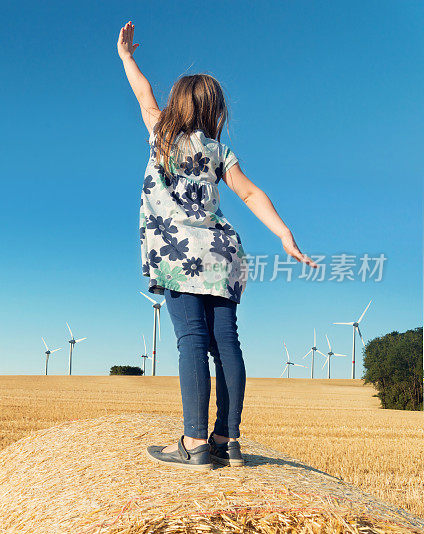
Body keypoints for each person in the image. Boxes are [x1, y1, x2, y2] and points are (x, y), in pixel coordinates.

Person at [117, 21, 318, 471]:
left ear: (178, 106)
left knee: (191, 339)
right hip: (224, 253)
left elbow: (144, 96)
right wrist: (284, 233)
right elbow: (249, 194)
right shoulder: (220, 152)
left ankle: (193, 444)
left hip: (179, 255)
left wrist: (127, 57)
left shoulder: (162, 136)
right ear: (216, 111)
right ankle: (227, 439)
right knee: (227, 342)